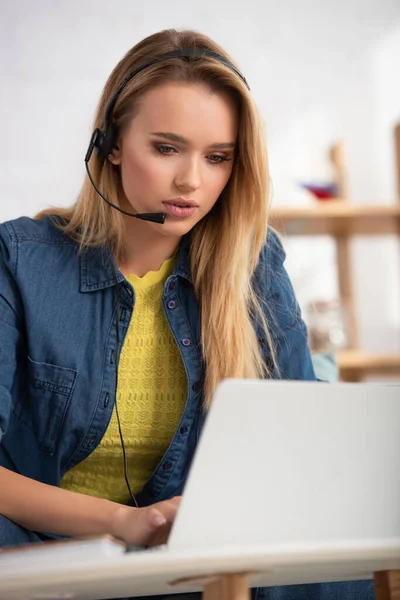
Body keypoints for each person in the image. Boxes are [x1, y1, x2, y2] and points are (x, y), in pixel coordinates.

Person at [0, 28, 372, 600]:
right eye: (167, 148)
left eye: (218, 157)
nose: (191, 182)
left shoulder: (252, 265)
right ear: (112, 142)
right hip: (41, 546)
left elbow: (300, 453)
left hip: (186, 557)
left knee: (338, 557)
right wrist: (125, 523)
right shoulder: (18, 261)